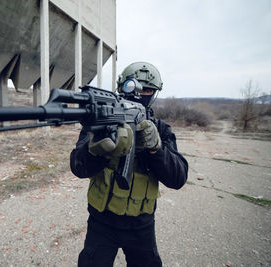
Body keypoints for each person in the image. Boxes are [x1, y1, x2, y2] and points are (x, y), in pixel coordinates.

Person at [70, 62, 188, 266]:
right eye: (132, 87)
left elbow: (178, 178)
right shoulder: (102, 123)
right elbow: (78, 167)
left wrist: (156, 149)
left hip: (141, 226)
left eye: (148, 90)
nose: (140, 94)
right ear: (121, 87)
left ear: (154, 94)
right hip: (101, 222)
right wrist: (98, 148)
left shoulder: (161, 129)